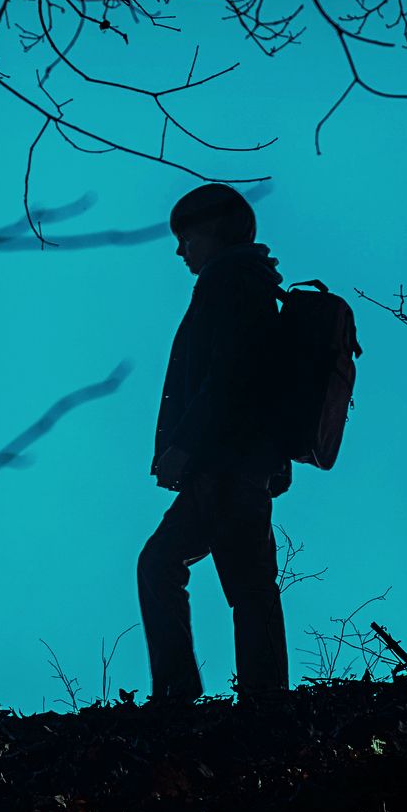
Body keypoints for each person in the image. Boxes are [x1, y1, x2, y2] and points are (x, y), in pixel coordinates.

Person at [139, 183, 291, 704]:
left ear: (214, 232)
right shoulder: (246, 282)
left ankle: (251, 700)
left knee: (230, 581)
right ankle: (255, 697)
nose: (181, 250)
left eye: (187, 236)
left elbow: (229, 375)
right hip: (235, 463)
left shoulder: (228, 281)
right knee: (235, 581)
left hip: (227, 463)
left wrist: (183, 444)